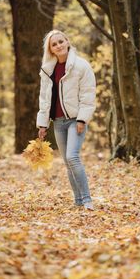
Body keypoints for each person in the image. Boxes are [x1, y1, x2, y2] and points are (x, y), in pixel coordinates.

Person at [36, 29, 96, 210]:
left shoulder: (81, 66)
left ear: (67, 42)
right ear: (51, 49)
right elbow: (45, 98)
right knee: (67, 162)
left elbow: (88, 94)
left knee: (72, 157)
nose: (58, 46)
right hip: (58, 122)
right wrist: (43, 124)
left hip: (75, 119)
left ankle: (87, 200)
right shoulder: (48, 70)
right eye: (54, 44)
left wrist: (82, 120)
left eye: (61, 41)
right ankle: (78, 201)